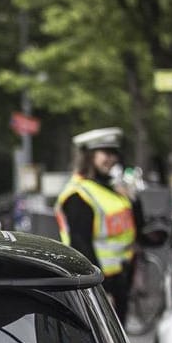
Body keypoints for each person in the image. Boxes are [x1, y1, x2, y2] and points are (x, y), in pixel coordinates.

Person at [56, 127, 141, 321]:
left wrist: (133, 199)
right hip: (101, 285)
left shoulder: (112, 189)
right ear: (89, 156)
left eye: (114, 154)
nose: (111, 159)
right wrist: (99, 290)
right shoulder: (78, 195)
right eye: (105, 153)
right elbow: (81, 245)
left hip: (121, 280)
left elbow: (135, 228)